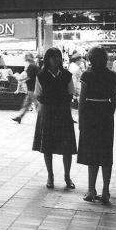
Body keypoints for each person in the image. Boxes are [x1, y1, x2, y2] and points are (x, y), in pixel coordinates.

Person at [77, 46, 116, 204]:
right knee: (106, 153)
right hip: (105, 116)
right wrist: (109, 113)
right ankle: (106, 191)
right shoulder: (113, 76)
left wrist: (81, 120)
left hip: (90, 114)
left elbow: (82, 100)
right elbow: (114, 100)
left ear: (90, 59)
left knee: (91, 153)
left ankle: (91, 190)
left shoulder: (87, 75)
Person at [33, 47, 77, 190]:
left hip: (63, 112)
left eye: (58, 56)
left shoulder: (67, 75)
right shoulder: (41, 76)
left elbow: (71, 93)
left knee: (67, 148)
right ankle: (50, 176)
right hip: (47, 112)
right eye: (52, 56)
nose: (56, 59)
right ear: (48, 59)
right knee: (47, 146)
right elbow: (38, 95)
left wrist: (59, 101)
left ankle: (67, 176)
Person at [12, 52, 40, 124]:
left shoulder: (32, 66)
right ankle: (19, 117)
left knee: (36, 103)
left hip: (32, 88)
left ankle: (43, 117)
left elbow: (28, 77)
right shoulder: (33, 65)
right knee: (26, 104)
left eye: (26, 56)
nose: (25, 57)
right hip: (32, 87)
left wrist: (19, 78)